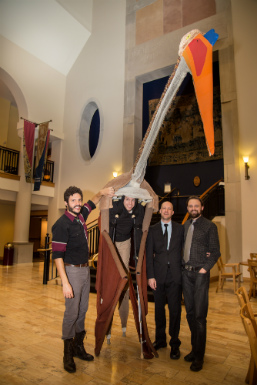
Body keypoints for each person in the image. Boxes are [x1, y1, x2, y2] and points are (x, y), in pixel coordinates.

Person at [52, 185, 114, 373]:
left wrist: (103, 192)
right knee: (71, 313)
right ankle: (67, 353)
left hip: (85, 270)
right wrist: (65, 282)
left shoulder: (80, 216)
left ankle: (78, 347)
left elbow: (92, 202)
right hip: (72, 272)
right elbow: (57, 256)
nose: (78, 203)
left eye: (79, 200)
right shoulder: (62, 224)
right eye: (74, 201)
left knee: (82, 310)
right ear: (66, 203)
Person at [182, 196, 220, 372]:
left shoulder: (209, 226)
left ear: (202, 207)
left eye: (196, 205)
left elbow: (215, 253)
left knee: (199, 317)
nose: (193, 208)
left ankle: (199, 356)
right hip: (186, 274)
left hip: (200, 275)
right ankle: (194, 349)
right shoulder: (186, 226)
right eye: (190, 206)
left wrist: (204, 270)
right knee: (190, 314)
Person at [146, 201, 184, 359]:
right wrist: (150, 276)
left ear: (173, 212)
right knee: (159, 311)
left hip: (175, 276)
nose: (166, 210)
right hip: (158, 276)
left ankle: (175, 343)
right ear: (159, 211)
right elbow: (148, 255)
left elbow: (187, 248)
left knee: (175, 311)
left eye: (169, 208)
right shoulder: (152, 230)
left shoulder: (181, 229)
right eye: (164, 208)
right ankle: (160, 340)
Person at [106, 195, 145, 343]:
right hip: (112, 242)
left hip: (125, 242)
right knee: (112, 281)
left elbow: (141, 225)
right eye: (127, 200)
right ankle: (107, 329)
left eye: (133, 200)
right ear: (122, 200)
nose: (130, 203)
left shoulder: (138, 209)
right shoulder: (116, 206)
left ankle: (123, 322)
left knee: (123, 281)